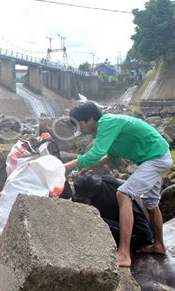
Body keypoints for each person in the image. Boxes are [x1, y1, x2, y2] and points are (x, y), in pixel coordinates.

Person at [63, 102, 172, 267]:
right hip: (156, 157)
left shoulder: (107, 121)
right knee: (151, 203)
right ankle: (159, 245)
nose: (81, 130)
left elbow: (96, 153)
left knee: (123, 193)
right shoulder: (110, 126)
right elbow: (110, 156)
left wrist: (63, 167)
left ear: (90, 119)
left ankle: (123, 253)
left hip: (155, 159)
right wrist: (86, 168)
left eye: (80, 125)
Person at [73, 174, 154, 250]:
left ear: (90, 193)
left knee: (93, 220)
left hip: (139, 235)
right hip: (146, 224)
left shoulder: (104, 199)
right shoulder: (107, 180)